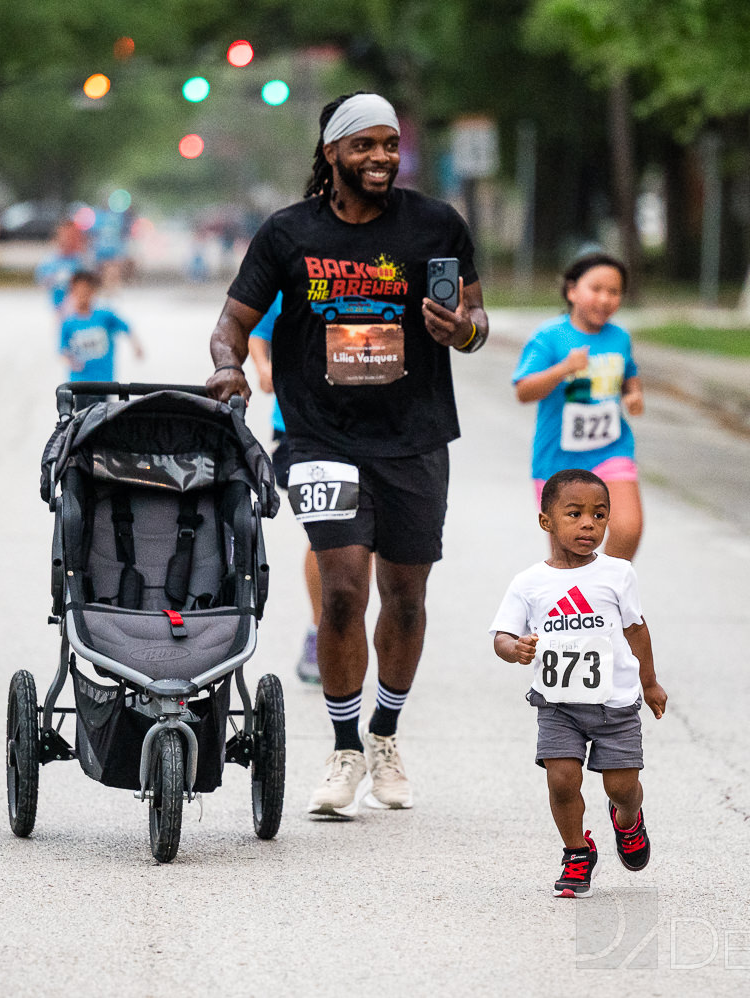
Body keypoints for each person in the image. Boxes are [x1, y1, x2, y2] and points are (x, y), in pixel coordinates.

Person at [206, 92, 489, 816]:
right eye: (364, 145)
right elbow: (232, 322)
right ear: (330, 152)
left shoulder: (436, 225)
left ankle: (385, 733)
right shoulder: (288, 233)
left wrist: (460, 330)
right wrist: (228, 366)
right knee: (341, 590)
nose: (381, 158)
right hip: (318, 437)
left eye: (390, 145)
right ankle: (342, 748)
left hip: (416, 438)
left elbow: (478, 319)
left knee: (406, 597)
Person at [489, 468, 667, 898]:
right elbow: (501, 636)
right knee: (562, 780)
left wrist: (650, 683)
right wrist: (517, 650)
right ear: (546, 521)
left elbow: (636, 630)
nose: (589, 524)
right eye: (575, 514)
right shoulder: (529, 583)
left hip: (616, 704)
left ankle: (628, 819)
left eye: (600, 515)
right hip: (558, 705)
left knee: (621, 786)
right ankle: (576, 852)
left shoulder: (618, 574)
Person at [513, 253, 646, 560]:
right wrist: (563, 368)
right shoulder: (549, 336)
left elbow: (630, 374)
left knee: (628, 528)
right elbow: (524, 391)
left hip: (611, 449)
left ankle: (605, 591)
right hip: (558, 459)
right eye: (596, 288)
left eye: (614, 292)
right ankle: (576, 604)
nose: (605, 298)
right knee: (570, 551)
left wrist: (633, 394)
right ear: (572, 290)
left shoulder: (619, 337)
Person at [245, 292, 329, 685]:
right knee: (326, 533)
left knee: (366, 542)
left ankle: (342, 623)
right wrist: (263, 368)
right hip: (298, 430)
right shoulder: (292, 281)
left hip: (368, 429)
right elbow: (258, 334)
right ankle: (320, 631)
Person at [59, 270, 140, 403]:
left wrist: (136, 346)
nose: (82, 296)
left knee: (102, 414)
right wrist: (71, 362)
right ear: (72, 293)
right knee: (82, 416)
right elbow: (62, 350)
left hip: (104, 380)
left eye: (86, 292)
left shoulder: (104, 315)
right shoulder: (68, 323)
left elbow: (127, 327)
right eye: (78, 292)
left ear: (92, 292)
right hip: (80, 381)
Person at [35, 220, 93, 310]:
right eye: (66, 236)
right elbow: (42, 283)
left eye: (72, 236)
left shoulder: (83, 261)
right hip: (57, 308)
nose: (69, 240)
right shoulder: (48, 262)